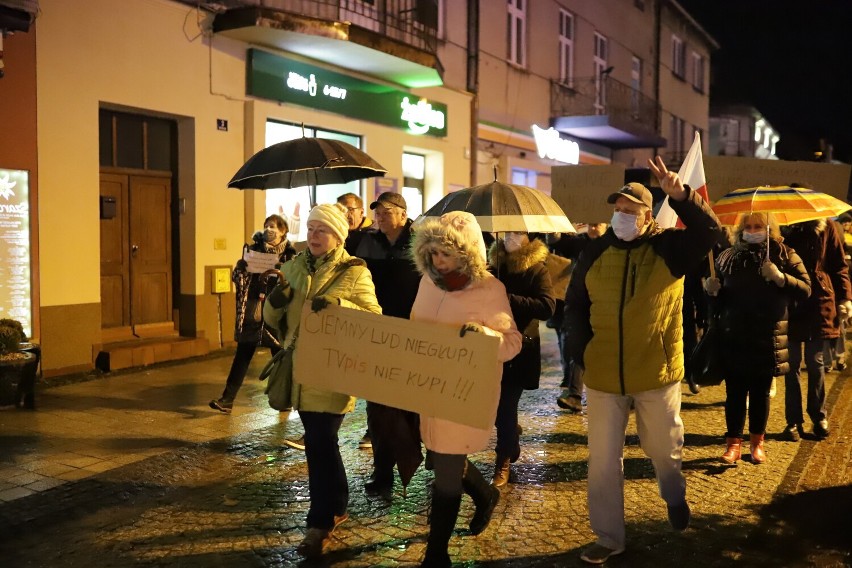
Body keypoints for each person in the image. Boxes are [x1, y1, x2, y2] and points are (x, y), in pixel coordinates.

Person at [563, 157, 724, 565]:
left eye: (629, 210)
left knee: (663, 450)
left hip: (656, 373)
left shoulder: (668, 247)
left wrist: (682, 197)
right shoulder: (596, 252)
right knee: (601, 461)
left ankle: (673, 494)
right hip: (602, 376)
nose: (621, 216)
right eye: (617, 209)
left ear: (647, 215)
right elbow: (575, 305)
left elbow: (711, 233)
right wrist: (581, 352)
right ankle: (608, 536)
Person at [262, 202, 382, 559]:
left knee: (319, 440)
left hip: (334, 370)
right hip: (301, 370)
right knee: (321, 442)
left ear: (337, 235)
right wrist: (276, 300)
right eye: (311, 229)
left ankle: (319, 522)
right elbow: (274, 320)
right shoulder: (293, 266)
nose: (314, 236)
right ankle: (339, 504)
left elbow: (373, 318)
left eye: (322, 230)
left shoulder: (355, 272)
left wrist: (339, 305)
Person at [410, 211, 522, 567]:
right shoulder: (428, 282)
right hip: (428, 389)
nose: (438, 261)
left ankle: (436, 554)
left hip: (464, 394)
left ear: (469, 253)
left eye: (446, 254)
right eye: (433, 253)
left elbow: (512, 342)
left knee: (445, 470)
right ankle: (485, 494)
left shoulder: (491, 290)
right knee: (441, 455)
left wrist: (485, 336)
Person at [703, 213, 810, 465]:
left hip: (767, 334)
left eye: (758, 226)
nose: (752, 230)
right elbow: (718, 300)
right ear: (740, 230)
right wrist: (711, 291)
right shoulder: (729, 256)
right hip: (735, 334)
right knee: (735, 393)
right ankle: (733, 444)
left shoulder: (784, 254)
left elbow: (806, 288)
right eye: (748, 227)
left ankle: (756, 443)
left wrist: (780, 277)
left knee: (760, 393)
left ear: (769, 228)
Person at [353, 191, 423, 499]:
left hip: (412, 336)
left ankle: (414, 460)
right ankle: (382, 472)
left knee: (409, 405)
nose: (379, 216)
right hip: (377, 334)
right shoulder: (366, 242)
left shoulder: (420, 242)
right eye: (377, 212)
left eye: (385, 211)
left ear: (403, 214)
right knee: (377, 409)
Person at [209, 214, 297, 414]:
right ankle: (227, 399)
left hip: (277, 314)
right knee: (242, 355)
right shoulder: (254, 249)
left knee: (280, 358)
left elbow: (294, 282)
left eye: (273, 226)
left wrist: (282, 272)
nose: (269, 230)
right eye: (267, 226)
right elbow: (240, 280)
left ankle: (284, 399)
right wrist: (240, 270)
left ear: (283, 231)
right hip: (254, 312)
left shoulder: (290, 255)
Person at [488, 232, 555, 487]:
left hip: (520, 349)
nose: (510, 237)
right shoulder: (494, 267)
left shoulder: (537, 270)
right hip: (492, 344)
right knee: (493, 408)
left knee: (505, 405)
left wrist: (509, 298)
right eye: (506, 233)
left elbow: (547, 307)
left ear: (528, 237)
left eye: (516, 233)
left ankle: (502, 460)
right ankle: (511, 438)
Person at [781, 216, 852, 441]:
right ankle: (793, 420)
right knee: (790, 366)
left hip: (818, 302)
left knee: (815, 362)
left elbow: (838, 265)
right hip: (790, 301)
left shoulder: (826, 226)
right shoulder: (780, 227)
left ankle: (818, 416)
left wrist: (845, 298)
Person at [548, 223, 607, 412]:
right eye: (592, 221)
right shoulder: (579, 242)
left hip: (606, 303)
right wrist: (564, 226)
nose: (594, 224)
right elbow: (557, 241)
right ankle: (574, 395)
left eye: (599, 221)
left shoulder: (614, 243)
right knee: (578, 346)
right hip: (581, 303)